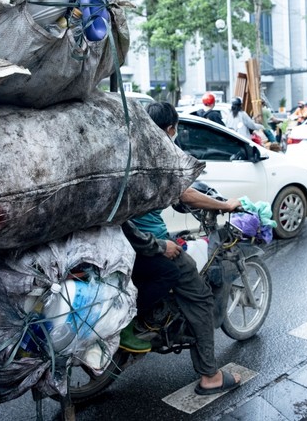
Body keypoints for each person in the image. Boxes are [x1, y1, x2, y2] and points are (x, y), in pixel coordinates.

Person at [121, 101, 243, 395]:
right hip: (148, 246)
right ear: (171, 129)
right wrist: (224, 204)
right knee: (200, 297)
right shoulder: (158, 155)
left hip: (126, 247)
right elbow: (185, 193)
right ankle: (210, 377)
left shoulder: (131, 152)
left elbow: (171, 196)